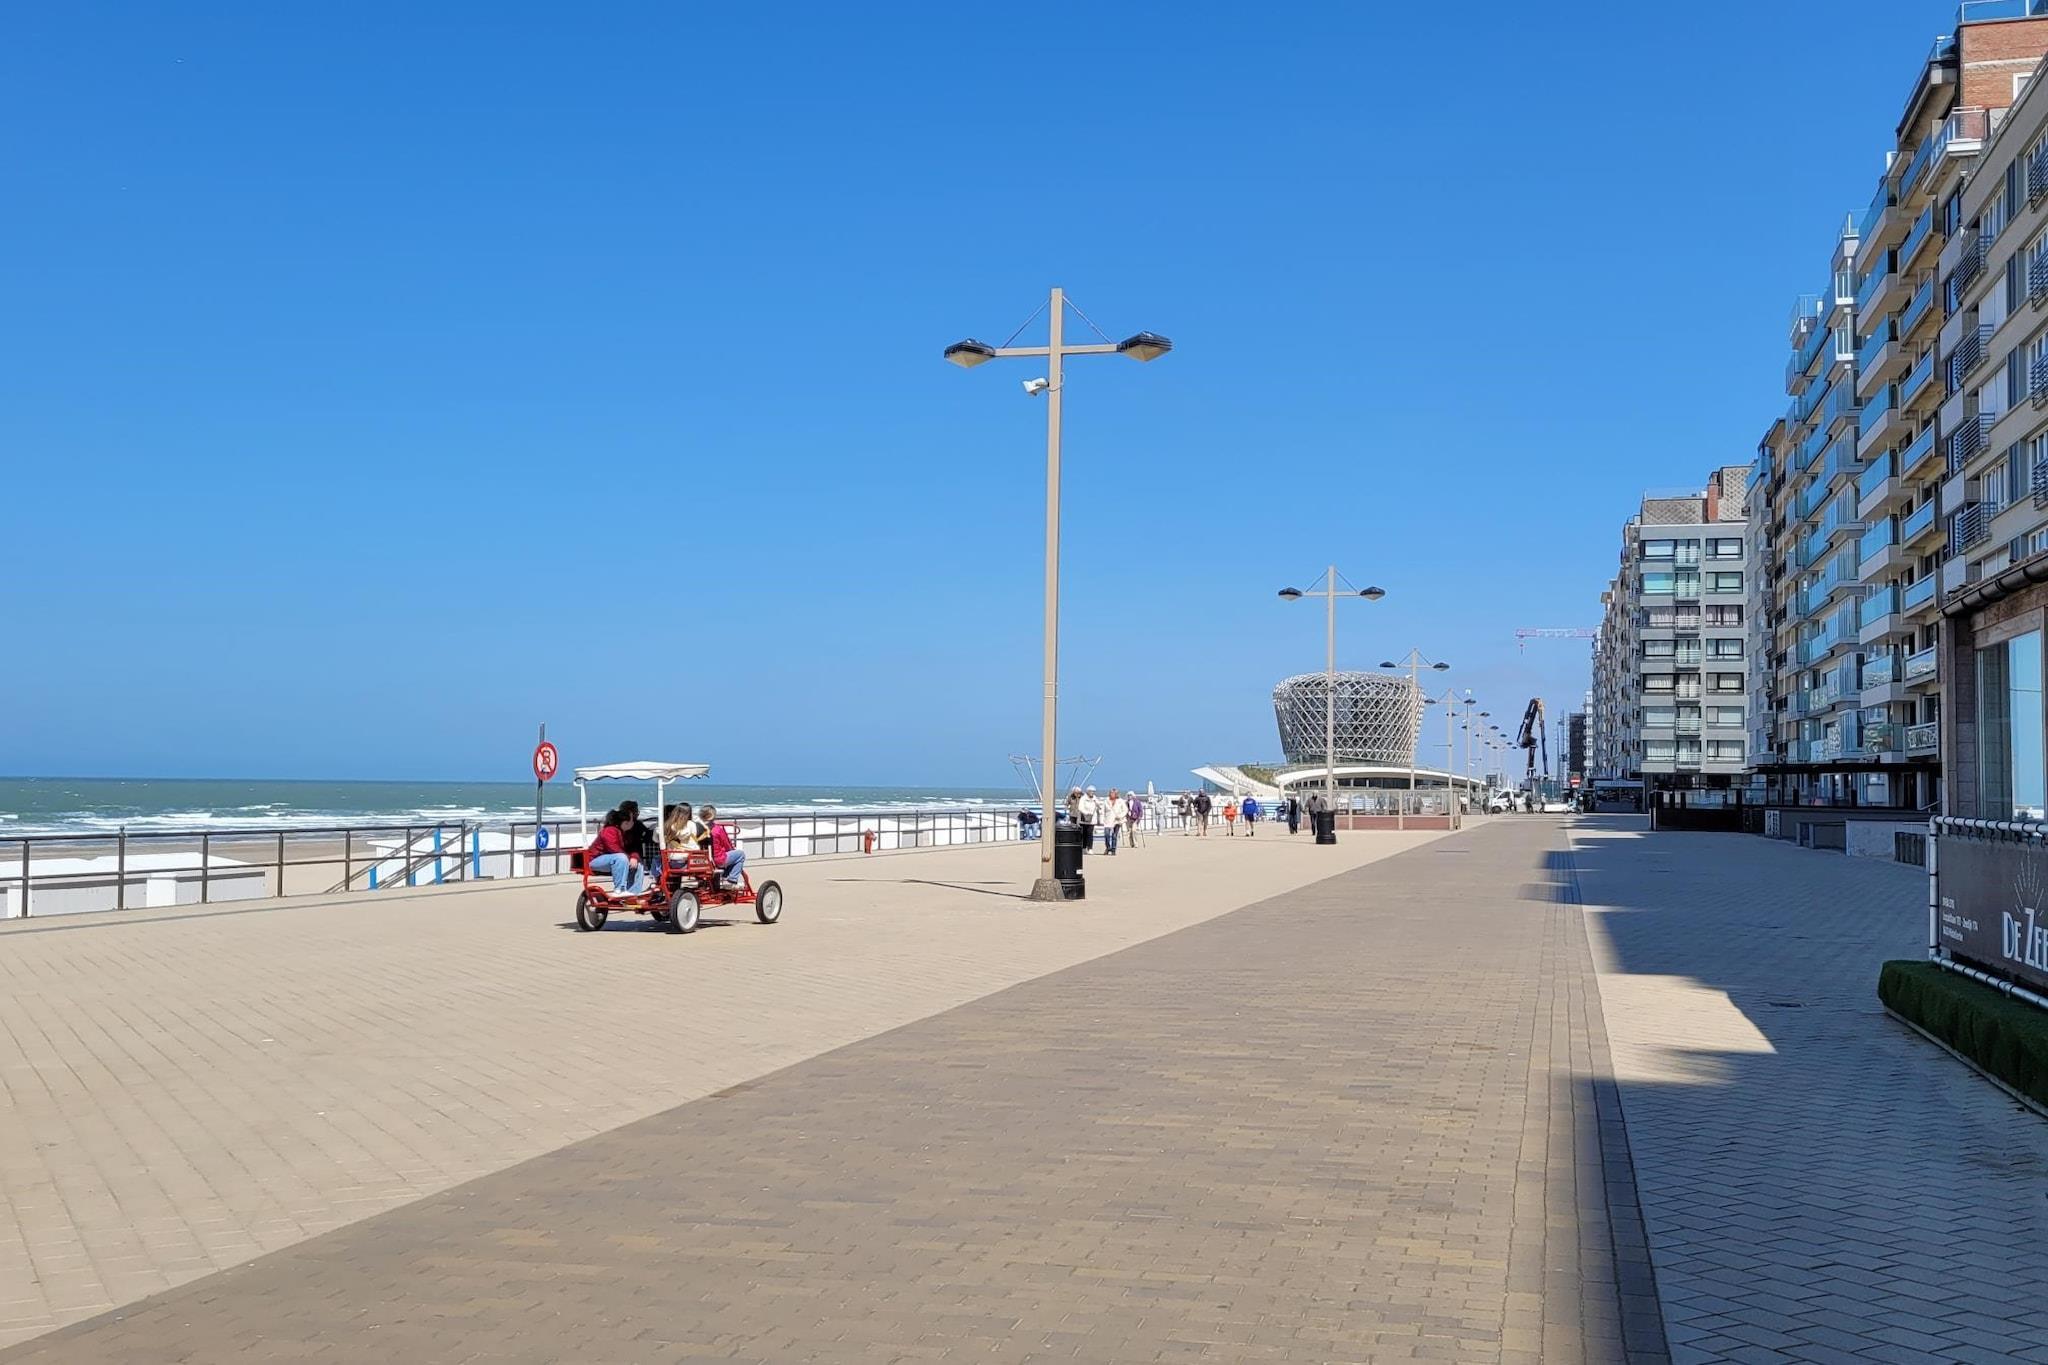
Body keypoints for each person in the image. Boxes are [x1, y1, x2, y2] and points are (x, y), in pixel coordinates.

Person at [586, 809, 649, 895]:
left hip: (613, 859)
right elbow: (614, 849)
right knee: (621, 858)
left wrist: (634, 857)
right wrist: (629, 858)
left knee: (638, 864)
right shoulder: (609, 831)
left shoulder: (626, 833)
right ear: (625, 822)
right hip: (595, 860)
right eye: (632, 820)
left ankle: (633, 893)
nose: (633, 822)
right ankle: (619, 889)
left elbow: (632, 848)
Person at [700, 804, 746, 890]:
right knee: (740, 855)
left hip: (704, 860)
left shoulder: (699, 829)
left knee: (730, 856)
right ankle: (731, 880)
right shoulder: (717, 829)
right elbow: (727, 845)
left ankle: (724, 878)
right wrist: (731, 850)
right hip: (718, 860)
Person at [1103, 788, 1127, 855]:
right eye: (1111, 793)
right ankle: (1108, 847)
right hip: (1108, 820)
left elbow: (1125, 810)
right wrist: (1102, 819)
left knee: (1114, 835)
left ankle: (1113, 849)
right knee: (1106, 834)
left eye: (1113, 793)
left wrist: (1120, 816)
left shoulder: (1120, 801)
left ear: (1116, 794)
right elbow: (1103, 811)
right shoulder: (1106, 801)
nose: (1112, 794)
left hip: (1117, 820)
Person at [1079, 786, 1100, 850]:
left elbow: (1099, 807)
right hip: (1084, 819)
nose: (1092, 792)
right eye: (1091, 791)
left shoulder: (1095, 799)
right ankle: (1084, 847)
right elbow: (1080, 808)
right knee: (1084, 834)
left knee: (1090, 834)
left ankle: (1090, 848)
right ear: (1087, 791)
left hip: (1092, 819)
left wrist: (1098, 805)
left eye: (1093, 791)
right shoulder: (1083, 798)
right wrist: (1086, 813)